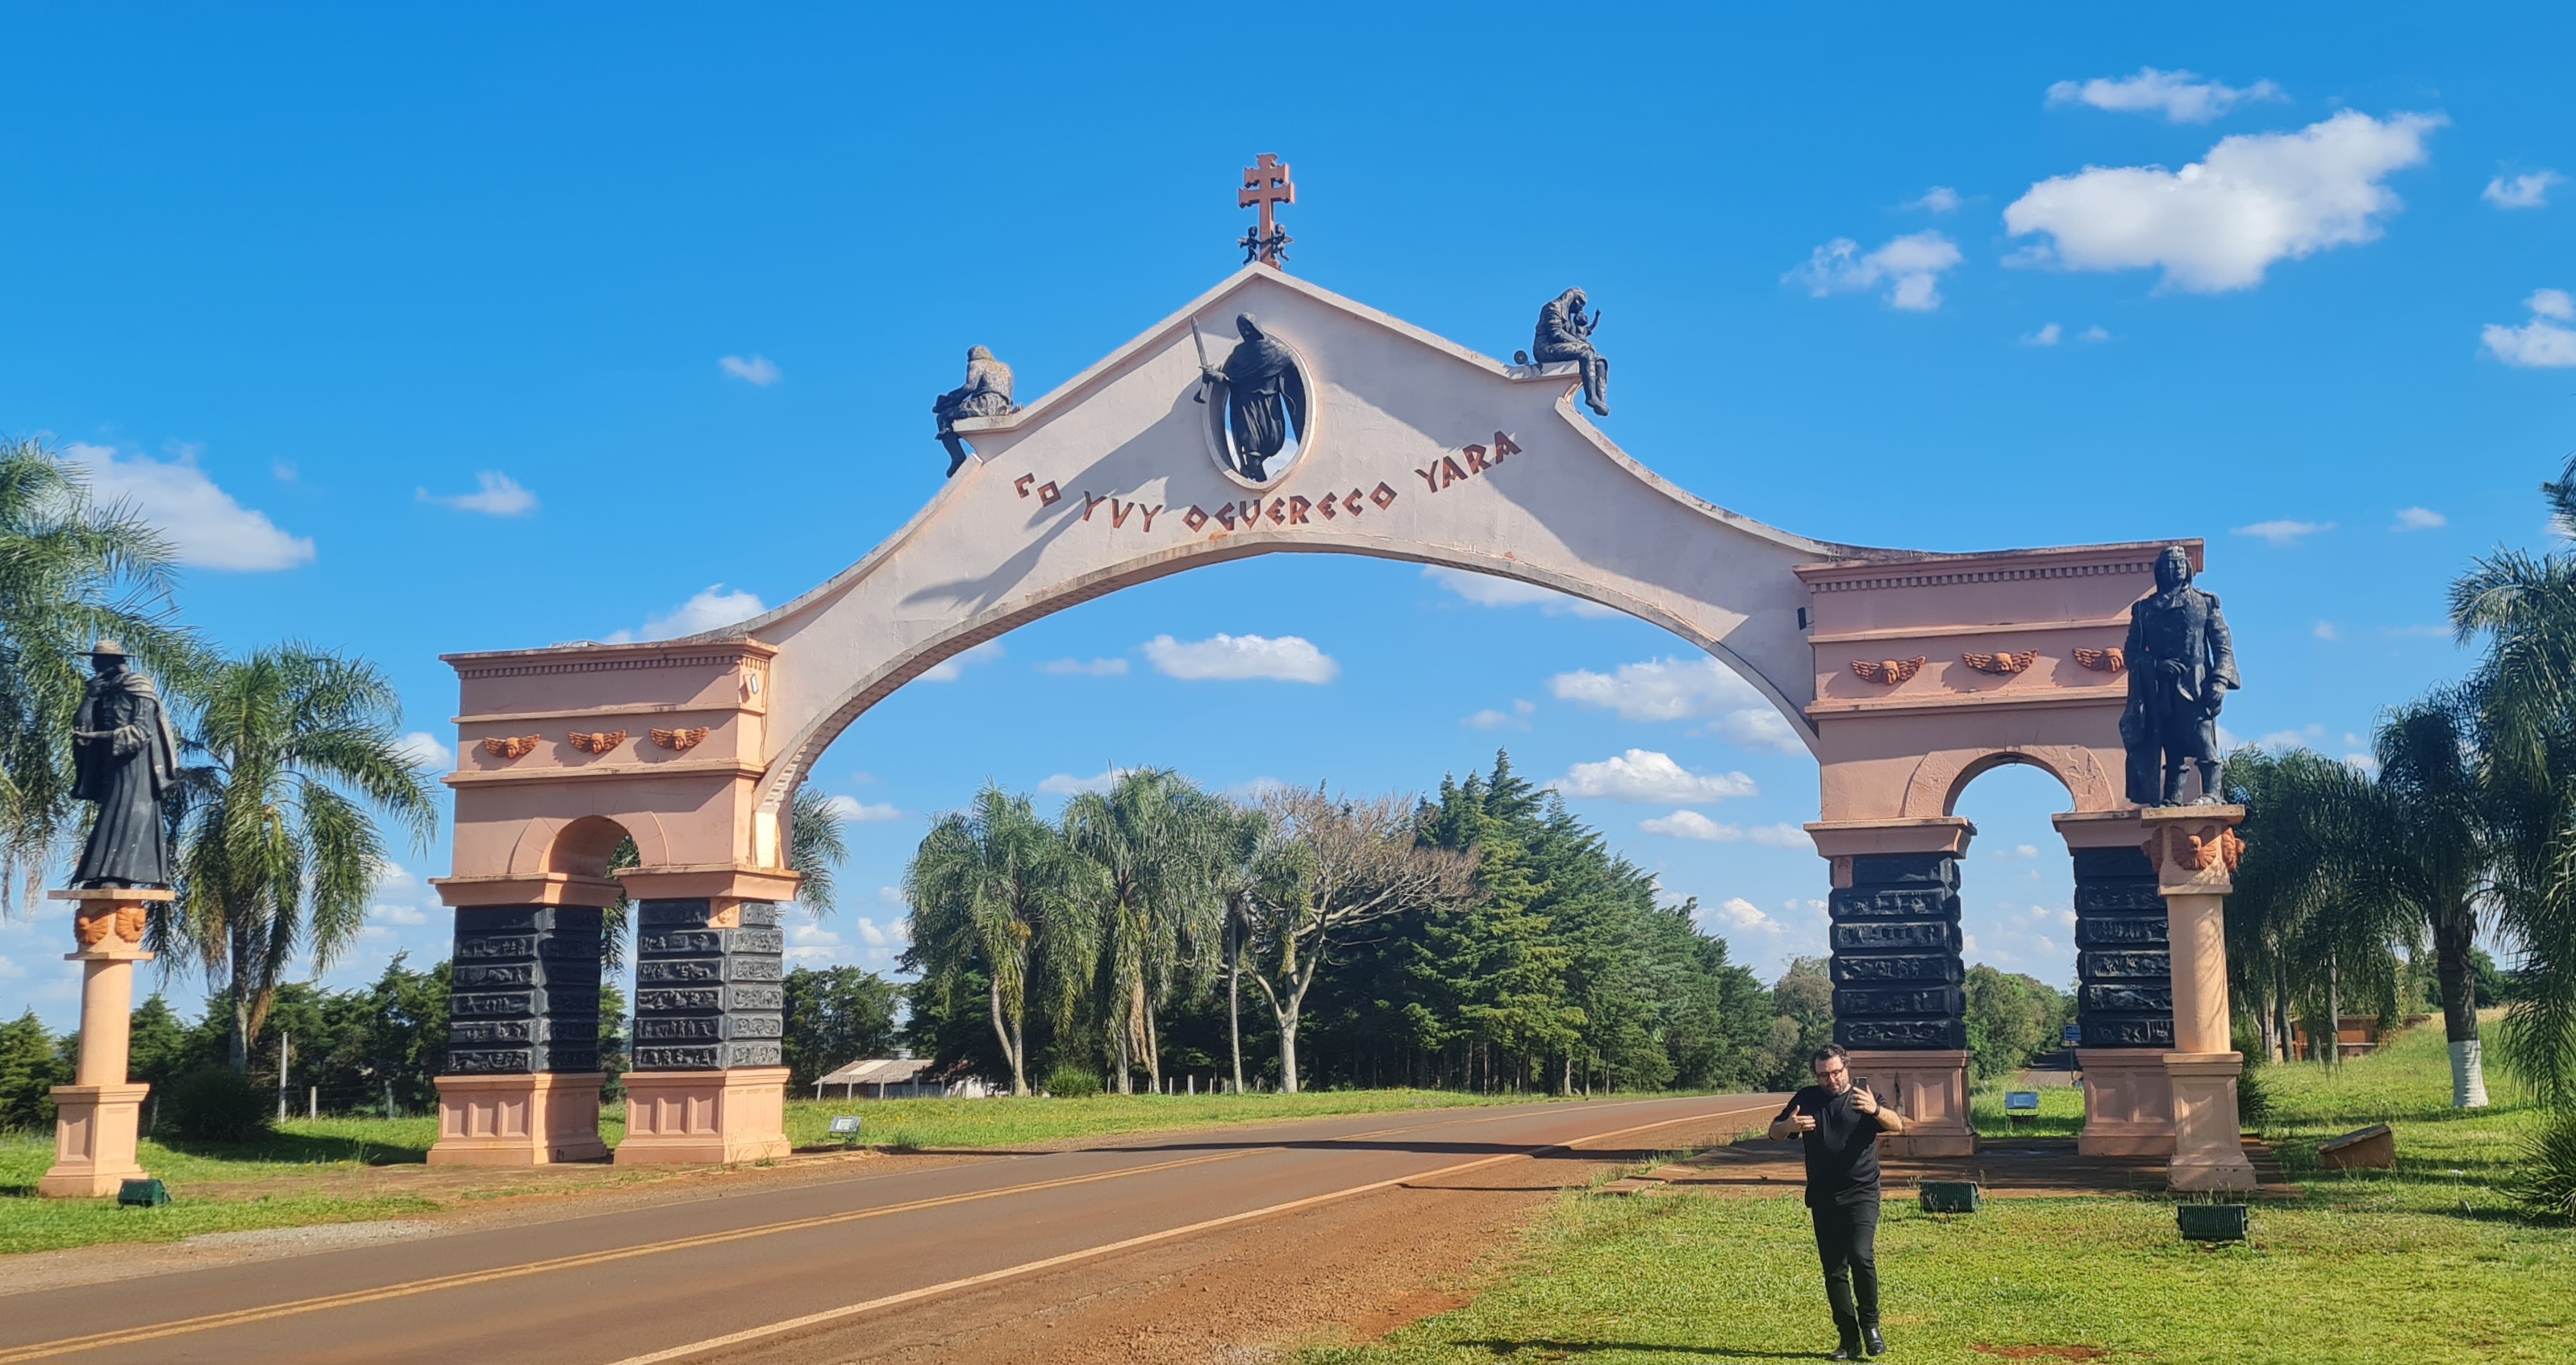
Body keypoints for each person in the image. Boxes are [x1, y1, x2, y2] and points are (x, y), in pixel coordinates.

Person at [1769, 1042, 1907, 1359]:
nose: (1830, 1080)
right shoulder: (1807, 1098)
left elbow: (1898, 1125)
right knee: (1834, 1270)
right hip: (1823, 1195)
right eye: (1823, 1075)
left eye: (1835, 1072)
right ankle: (1848, 1338)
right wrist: (1789, 1126)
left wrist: (1874, 1110)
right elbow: (1774, 1131)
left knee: (1861, 1254)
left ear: (1847, 1068)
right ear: (1815, 1075)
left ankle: (1871, 1326)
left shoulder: (1863, 1095)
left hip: (1862, 1192)